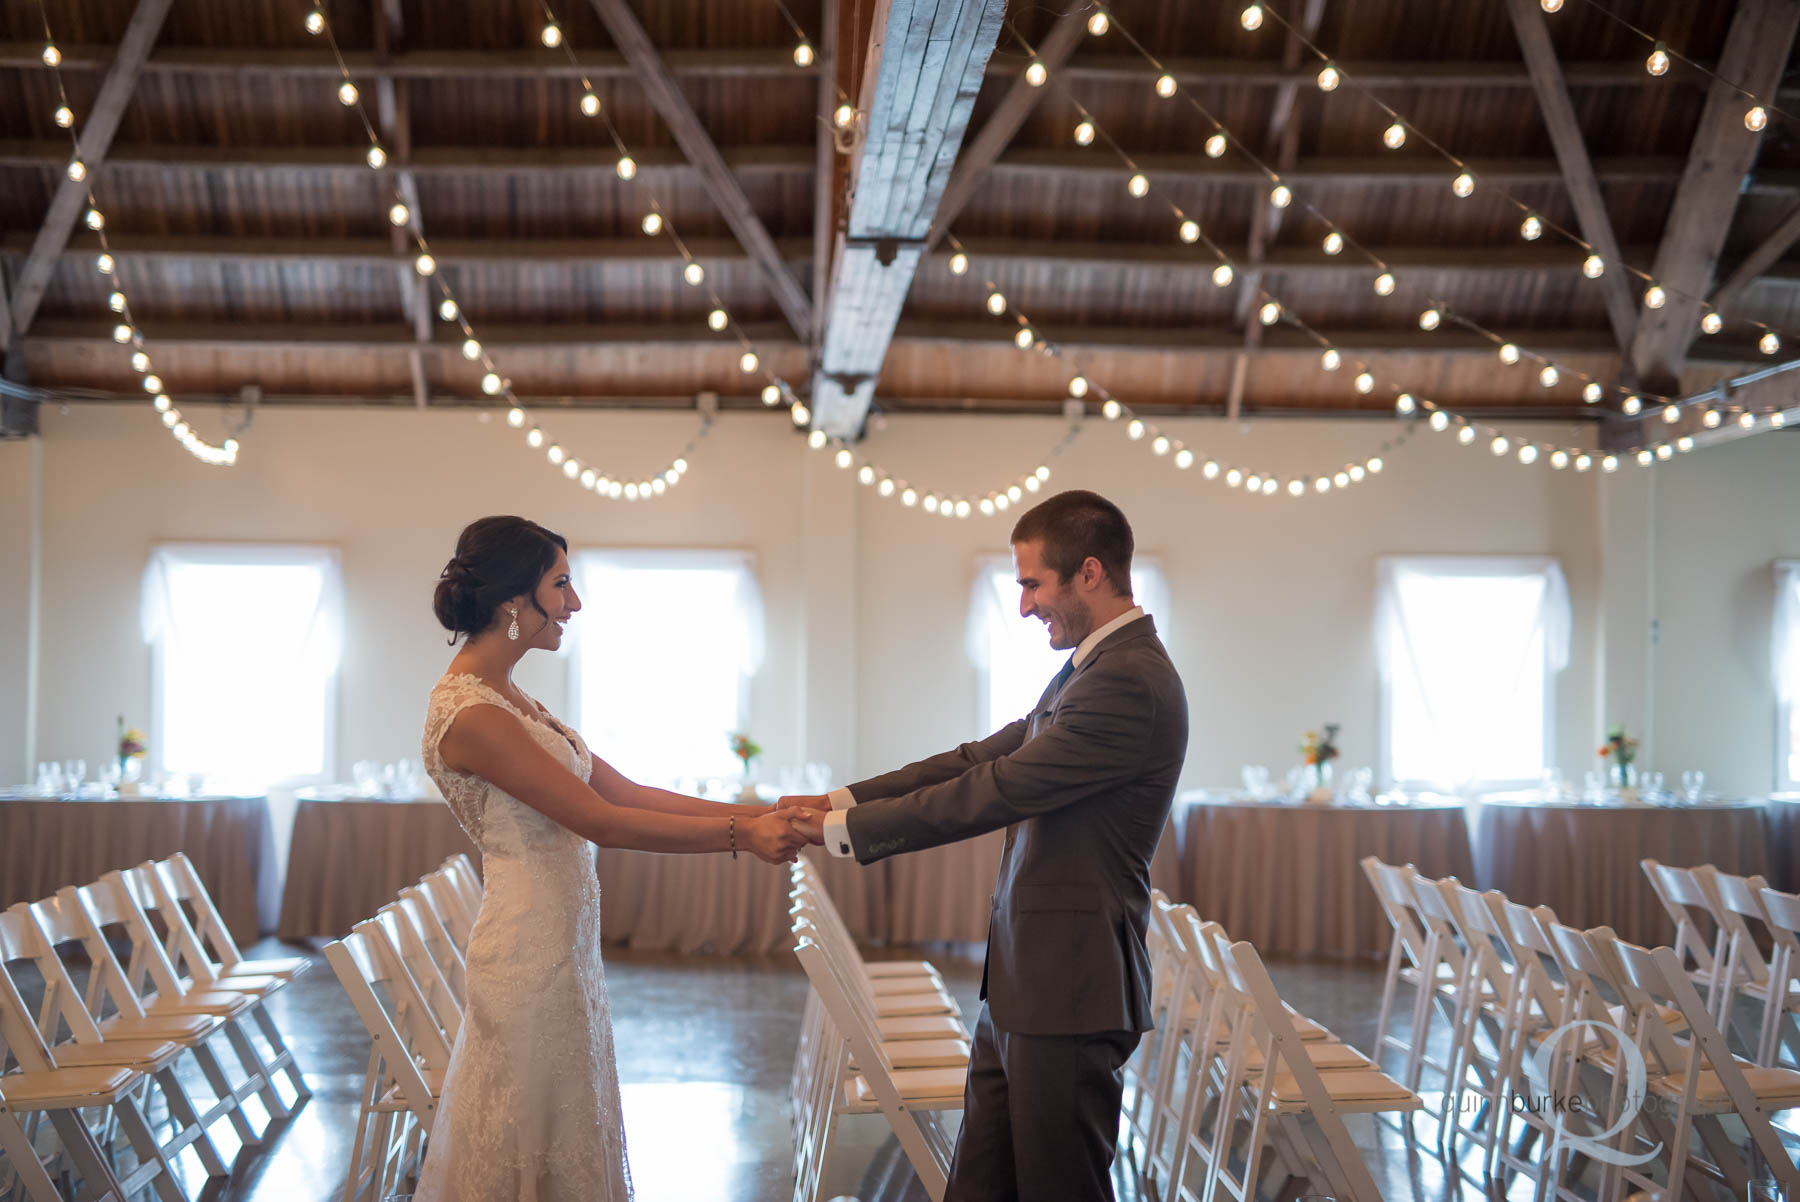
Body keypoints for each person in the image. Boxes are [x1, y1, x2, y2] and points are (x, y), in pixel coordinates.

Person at [784, 489, 1188, 1202]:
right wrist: (841, 801)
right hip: (1028, 982)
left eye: (1033, 584)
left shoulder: (1128, 681)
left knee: (1059, 1188)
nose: (1025, 605)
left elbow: (999, 788)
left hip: (1068, 987)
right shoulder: (1091, 670)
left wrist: (837, 834)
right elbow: (976, 758)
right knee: (982, 1185)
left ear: (1089, 573)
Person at [416, 515, 806, 1201]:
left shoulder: (515, 698)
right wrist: (742, 839)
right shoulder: (471, 713)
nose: (574, 603)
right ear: (514, 601)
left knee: (570, 1117)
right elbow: (601, 821)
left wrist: (772, 811)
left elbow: (631, 792)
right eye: (560, 584)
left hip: (562, 944)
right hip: (526, 953)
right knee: (524, 1127)